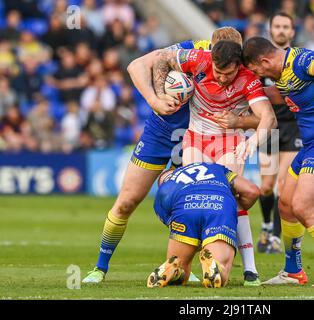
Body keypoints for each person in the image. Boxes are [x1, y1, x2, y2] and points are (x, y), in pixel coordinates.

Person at [82, 27, 250, 284]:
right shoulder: (190, 51)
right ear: (210, 47)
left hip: (200, 137)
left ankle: (187, 268)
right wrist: (155, 99)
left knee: (202, 201)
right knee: (127, 201)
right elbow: (136, 65)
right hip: (161, 132)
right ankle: (100, 267)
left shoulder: (240, 65)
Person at [151, 40, 277, 286]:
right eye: (218, 72)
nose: (221, 78)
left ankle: (250, 268)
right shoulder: (197, 58)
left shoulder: (248, 78)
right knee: (192, 196)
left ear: (238, 66)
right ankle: (195, 261)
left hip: (229, 142)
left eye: (228, 73)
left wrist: (251, 144)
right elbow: (162, 58)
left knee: (232, 197)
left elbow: (268, 118)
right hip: (195, 138)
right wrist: (160, 94)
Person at [242, 37, 314, 286]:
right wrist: (249, 95)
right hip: (312, 146)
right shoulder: (281, 76)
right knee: (285, 205)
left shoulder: (298, 60)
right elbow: (280, 95)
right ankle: (293, 271)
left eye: (256, 71)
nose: (257, 75)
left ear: (264, 61)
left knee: (303, 207)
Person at [147, 162, 260, 288]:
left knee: (180, 264)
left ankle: (177, 272)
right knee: (222, 266)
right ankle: (216, 267)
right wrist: (235, 210)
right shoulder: (215, 168)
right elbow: (252, 191)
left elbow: (173, 224)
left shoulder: (163, 190)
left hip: (185, 210)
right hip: (218, 205)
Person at [257, 12, 302, 254]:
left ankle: (275, 237)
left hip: (293, 127)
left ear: (292, 32)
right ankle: (265, 226)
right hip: (269, 127)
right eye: (277, 26)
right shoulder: (259, 61)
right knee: (266, 186)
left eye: (286, 26)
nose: (282, 30)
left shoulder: (298, 60)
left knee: (284, 186)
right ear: (270, 29)